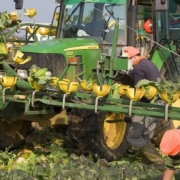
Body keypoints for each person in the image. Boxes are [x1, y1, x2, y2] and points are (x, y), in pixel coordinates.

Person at [124, 46, 166, 170]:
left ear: (132, 57)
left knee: (133, 136)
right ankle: (149, 167)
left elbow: (140, 93)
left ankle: (160, 164)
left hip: (149, 106)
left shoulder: (138, 69)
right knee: (145, 136)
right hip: (160, 105)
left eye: (127, 59)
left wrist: (131, 112)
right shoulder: (150, 64)